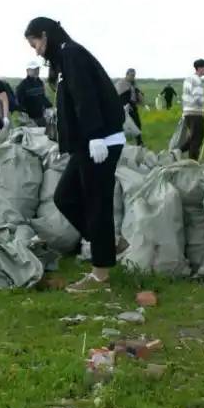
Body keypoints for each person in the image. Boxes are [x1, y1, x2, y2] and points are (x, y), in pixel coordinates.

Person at [24, 17, 125, 293]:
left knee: (97, 203)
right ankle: (107, 243)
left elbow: (86, 96)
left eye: (35, 44)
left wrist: (95, 135)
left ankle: (100, 275)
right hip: (87, 143)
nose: (36, 51)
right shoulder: (63, 59)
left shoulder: (72, 54)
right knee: (64, 197)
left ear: (45, 36)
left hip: (101, 141)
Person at [178, 59, 204, 160]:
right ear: (200, 68)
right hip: (196, 112)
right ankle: (192, 161)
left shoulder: (187, 79)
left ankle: (177, 152)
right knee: (197, 139)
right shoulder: (197, 80)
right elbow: (198, 98)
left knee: (192, 138)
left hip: (187, 112)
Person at [17, 61, 53, 127]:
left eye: (37, 69)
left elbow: (42, 97)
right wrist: (25, 116)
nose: (36, 71)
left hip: (41, 116)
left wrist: (49, 106)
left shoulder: (40, 83)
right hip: (29, 119)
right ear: (27, 71)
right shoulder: (22, 85)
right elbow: (19, 103)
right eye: (33, 69)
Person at [114, 68, 144, 146]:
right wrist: (125, 105)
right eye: (131, 75)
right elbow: (119, 96)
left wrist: (139, 96)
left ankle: (139, 142)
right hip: (124, 108)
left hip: (133, 107)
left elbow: (136, 94)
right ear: (127, 74)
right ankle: (120, 143)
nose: (133, 77)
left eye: (134, 75)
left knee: (137, 124)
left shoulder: (133, 84)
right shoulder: (121, 83)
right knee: (123, 126)